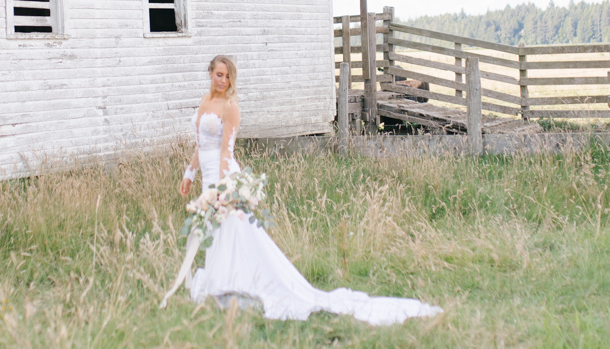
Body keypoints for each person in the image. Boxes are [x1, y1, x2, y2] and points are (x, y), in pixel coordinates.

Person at [177, 54, 442, 325]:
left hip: (223, 175)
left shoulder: (231, 107)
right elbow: (201, 143)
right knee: (216, 229)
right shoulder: (205, 101)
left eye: (227, 76)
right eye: (218, 74)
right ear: (210, 73)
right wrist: (189, 173)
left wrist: (223, 186)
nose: (223, 80)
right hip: (206, 176)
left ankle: (241, 284)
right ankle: (220, 280)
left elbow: (225, 150)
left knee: (232, 228)